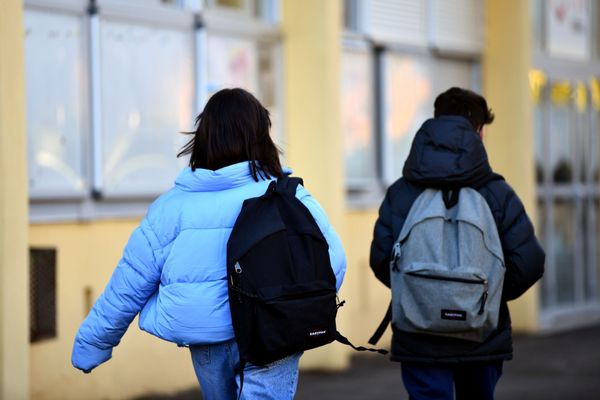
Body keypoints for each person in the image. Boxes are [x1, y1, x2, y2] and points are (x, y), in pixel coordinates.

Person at [71, 88, 347, 400]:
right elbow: (333, 260)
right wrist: (294, 306)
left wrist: (92, 343)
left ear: (204, 138)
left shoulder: (170, 208)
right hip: (275, 332)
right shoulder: (289, 197)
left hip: (208, 340)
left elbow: (129, 282)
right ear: (261, 136)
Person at [369, 87, 545, 400]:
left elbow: (381, 259)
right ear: (479, 132)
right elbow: (529, 262)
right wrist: (479, 297)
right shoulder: (497, 193)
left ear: (436, 123)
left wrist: (422, 296)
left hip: (418, 334)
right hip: (482, 337)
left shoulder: (402, 192)